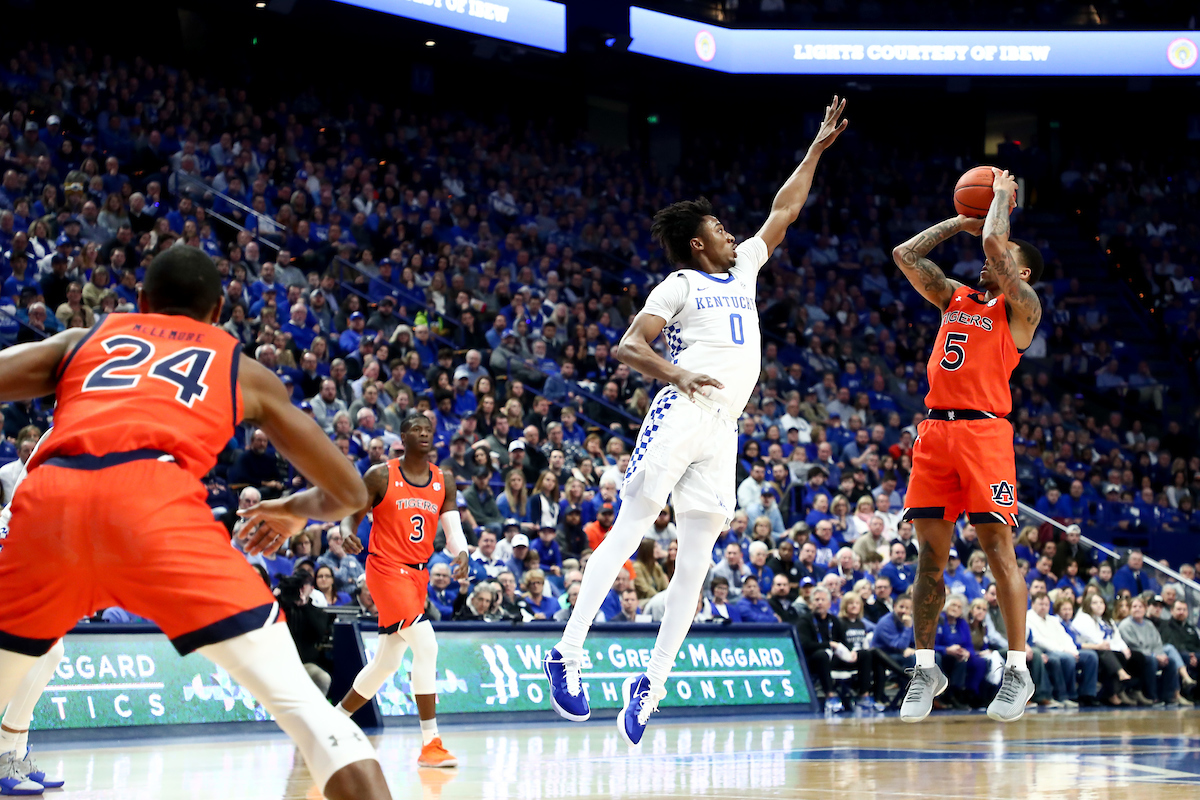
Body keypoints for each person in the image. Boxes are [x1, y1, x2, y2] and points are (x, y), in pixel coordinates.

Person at [0, 247, 389, 799]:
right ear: (218, 312)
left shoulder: (83, 340)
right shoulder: (239, 368)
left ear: (140, 302)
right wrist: (290, 509)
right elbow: (349, 492)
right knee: (308, 711)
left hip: (50, 504)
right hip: (152, 504)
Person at [892, 167, 1045, 723]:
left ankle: (1018, 670)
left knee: (997, 550)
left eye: (1002, 259)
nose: (986, 261)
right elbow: (906, 254)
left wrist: (1000, 198)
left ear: (1020, 272)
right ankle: (924, 667)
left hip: (985, 435)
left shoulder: (1023, 308)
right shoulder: (955, 298)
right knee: (930, 557)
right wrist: (962, 219)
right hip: (935, 433)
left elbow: (994, 245)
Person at [333, 415, 468, 769]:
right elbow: (352, 514)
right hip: (385, 568)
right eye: (416, 429)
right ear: (403, 438)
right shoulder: (381, 475)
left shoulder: (443, 479)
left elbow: (452, 530)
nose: (424, 433)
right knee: (427, 645)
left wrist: (463, 553)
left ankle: (331, 723)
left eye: (428, 429)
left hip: (418, 575)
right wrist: (347, 532)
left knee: (386, 663)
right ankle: (430, 743)